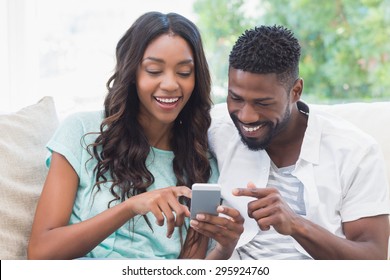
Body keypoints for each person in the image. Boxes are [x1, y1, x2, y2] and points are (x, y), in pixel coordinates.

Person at [27, 11, 243, 260]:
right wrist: (131, 207)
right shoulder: (81, 132)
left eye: (184, 73)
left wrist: (224, 249)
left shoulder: (202, 161)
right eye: (154, 70)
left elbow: (190, 271)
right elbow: (40, 253)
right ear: (132, 74)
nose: (171, 84)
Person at [208, 25, 390, 259]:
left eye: (263, 103)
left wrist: (296, 225)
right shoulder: (216, 130)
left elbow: (373, 258)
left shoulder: (355, 151)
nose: (246, 116)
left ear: (296, 91)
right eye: (236, 98)